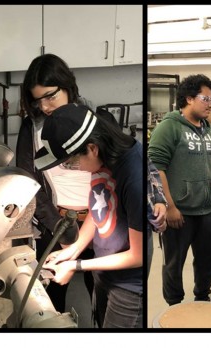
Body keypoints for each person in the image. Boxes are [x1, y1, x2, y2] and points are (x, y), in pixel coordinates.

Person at [38, 103, 145, 328]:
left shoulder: (134, 177)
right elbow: (98, 209)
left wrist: (76, 266)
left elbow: (138, 256)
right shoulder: (103, 158)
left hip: (129, 288)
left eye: (71, 163)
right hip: (104, 272)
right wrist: (72, 251)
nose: (72, 168)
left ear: (92, 148)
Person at [16, 53, 95, 314]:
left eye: (51, 96)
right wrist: (60, 230)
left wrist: (84, 232)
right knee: (49, 299)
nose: (45, 106)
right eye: (37, 100)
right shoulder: (32, 127)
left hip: (97, 223)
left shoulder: (94, 120)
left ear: (68, 87)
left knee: (102, 292)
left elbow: (109, 179)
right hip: (55, 223)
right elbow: (28, 182)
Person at [148, 74, 211, 305]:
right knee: (174, 263)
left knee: (206, 261)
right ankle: (174, 305)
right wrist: (170, 206)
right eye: (206, 98)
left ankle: (202, 298)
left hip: (209, 210)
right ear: (189, 98)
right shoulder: (169, 128)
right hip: (179, 213)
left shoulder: (210, 129)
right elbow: (156, 169)